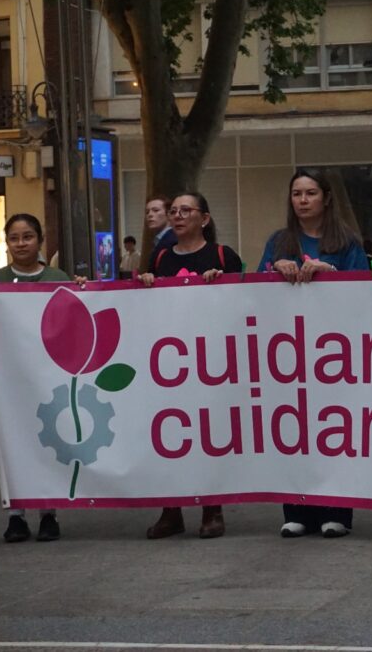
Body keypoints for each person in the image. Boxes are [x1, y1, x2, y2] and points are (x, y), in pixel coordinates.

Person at [257, 169, 368, 538]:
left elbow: (365, 289)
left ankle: (338, 511)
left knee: (336, 427)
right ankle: (296, 508)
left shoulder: (347, 241)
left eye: (310, 193)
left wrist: (329, 272)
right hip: (291, 350)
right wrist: (275, 268)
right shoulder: (279, 241)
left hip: (336, 350)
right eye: (296, 194)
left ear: (326, 198)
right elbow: (256, 289)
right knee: (295, 426)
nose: (303, 200)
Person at [140, 191, 243, 540]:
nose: (178, 216)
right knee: (171, 434)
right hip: (170, 361)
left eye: (186, 210)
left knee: (210, 434)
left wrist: (222, 283)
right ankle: (171, 510)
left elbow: (246, 298)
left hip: (212, 359)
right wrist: (146, 284)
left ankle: (212, 509)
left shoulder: (223, 256)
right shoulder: (161, 257)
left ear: (205, 218)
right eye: (174, 211)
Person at [0, 214, 73, 543]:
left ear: (40, 240)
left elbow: (72, 324)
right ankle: (16, 516)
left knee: (50, 440)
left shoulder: (57, 278)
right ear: (6, 242)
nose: (21, 243)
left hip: (49, 375)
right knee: (11, 441)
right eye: (14, 238)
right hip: (8, 379)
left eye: (27, 236)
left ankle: (49, 513)